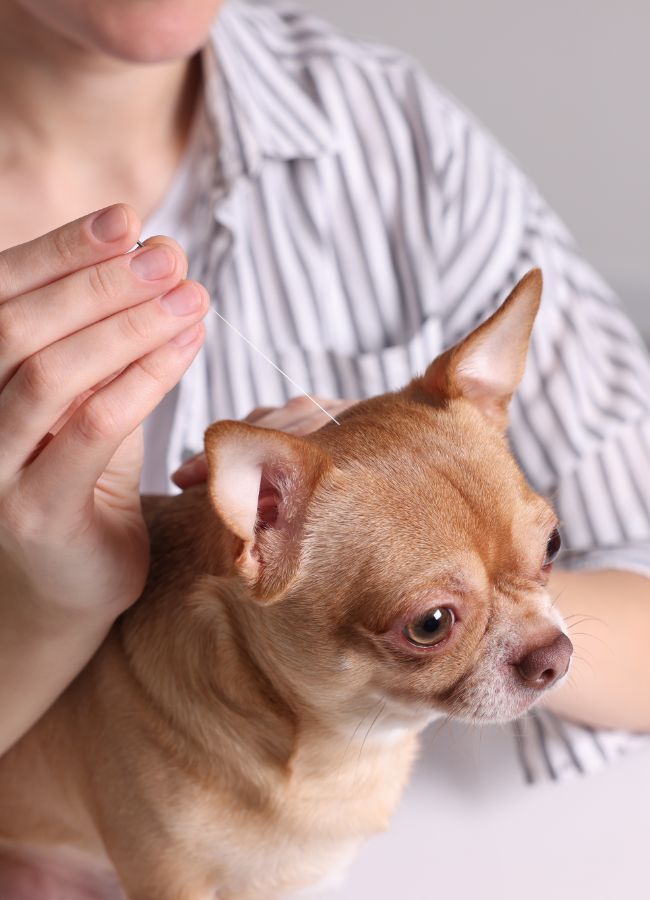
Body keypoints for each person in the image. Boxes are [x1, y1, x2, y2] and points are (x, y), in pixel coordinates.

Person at [1, 0, 649, 824]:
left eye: (545, 545)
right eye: (429, 622)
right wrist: (52, 604)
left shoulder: (394, 141)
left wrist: (497, 622)